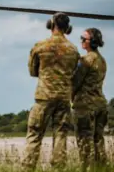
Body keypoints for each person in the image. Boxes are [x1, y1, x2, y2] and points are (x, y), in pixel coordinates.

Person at [22, 12, 80, 170]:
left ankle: (28, 167)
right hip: (63, 98)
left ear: (51, 25)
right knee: (61, 134)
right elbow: (74, 73)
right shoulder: (74, 50)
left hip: (43, 97)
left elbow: (33, 72)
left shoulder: (40, 46)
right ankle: (58, 168)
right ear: (67, 28)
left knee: (34, 133)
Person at [72, 28, 108, 170]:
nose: (81, 41)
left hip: (86, 106)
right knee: (99, 142)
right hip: (100, 104)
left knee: (84, 142)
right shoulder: (102, 60)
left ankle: (87, 169)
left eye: (83, 38)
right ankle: (101, 169)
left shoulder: (87, 60)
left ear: (92, 42)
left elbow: (75, 81)